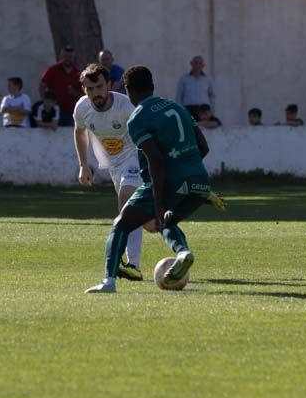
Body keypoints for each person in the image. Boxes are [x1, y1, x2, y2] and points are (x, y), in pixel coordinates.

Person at [87, 65, 214, 294]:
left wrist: (159, 201)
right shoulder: (178, 107)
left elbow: (155, 160)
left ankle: (109, 282)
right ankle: (182, 252)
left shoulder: (137, 118)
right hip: (200, 181)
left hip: (168, 180)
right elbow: (203, 147)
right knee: (166, 220)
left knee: (122, 224)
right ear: (153, 87)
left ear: (128, 91)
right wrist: (187, 171)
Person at [74, 63, 144, 280]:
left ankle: (132, 264)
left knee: (127, 201)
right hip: (114, 165)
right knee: (148, 221)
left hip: (135, 157)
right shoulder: (82, 108)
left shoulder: (125, 106)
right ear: (84, 89)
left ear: (109, 85)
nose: (95, 93)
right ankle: (170, 224)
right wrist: (83, 165)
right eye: (90, 89)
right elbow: (79, 132)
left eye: (99, 87)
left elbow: (145, 134)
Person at [40, 46, 82, 127]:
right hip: (53, 110)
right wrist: (45, 102)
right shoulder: (52, 70)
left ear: (74, 58)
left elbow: (84, 94)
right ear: (61, 57)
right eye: (65, 57)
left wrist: (74, 93)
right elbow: (42, 86)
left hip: (70, 111)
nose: (67, 59)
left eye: (70, 57)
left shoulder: (79, 73)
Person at [175, 55, 215, 120]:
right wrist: (180, 111)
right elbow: (179, 95)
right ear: (191, 63)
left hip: (204, 109)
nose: (198, 65)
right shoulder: (184, 79)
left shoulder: (208, 79)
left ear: (203, 65)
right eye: (196, 62)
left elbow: (212, 95)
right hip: (189, 108)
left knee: (215, 123)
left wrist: (211, 110)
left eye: (200, 63)